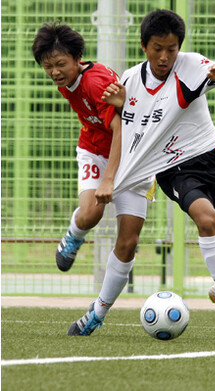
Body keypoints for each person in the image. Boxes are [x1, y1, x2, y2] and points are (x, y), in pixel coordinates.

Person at [101, 10, 215, 336]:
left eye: (172, 49)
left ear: (180, 47)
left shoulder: (190, 65)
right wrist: (122, 106)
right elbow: (133, 129)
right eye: (157, 48)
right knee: (207, 220)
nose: (165, 57)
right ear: (143, 46)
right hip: (174, 167)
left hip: (214, 156)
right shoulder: (131, 80)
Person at [32, 21, 155, 336]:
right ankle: (74, 235)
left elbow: (121, 128)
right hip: (93, 150)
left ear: (78, 58)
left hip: (135, 159)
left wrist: (109, 179)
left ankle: (96, 314)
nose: (55, 72)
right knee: (91, 212)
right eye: (48, 66)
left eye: (60, 64)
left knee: (128, 243)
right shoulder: (68, 80)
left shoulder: (95, 82)